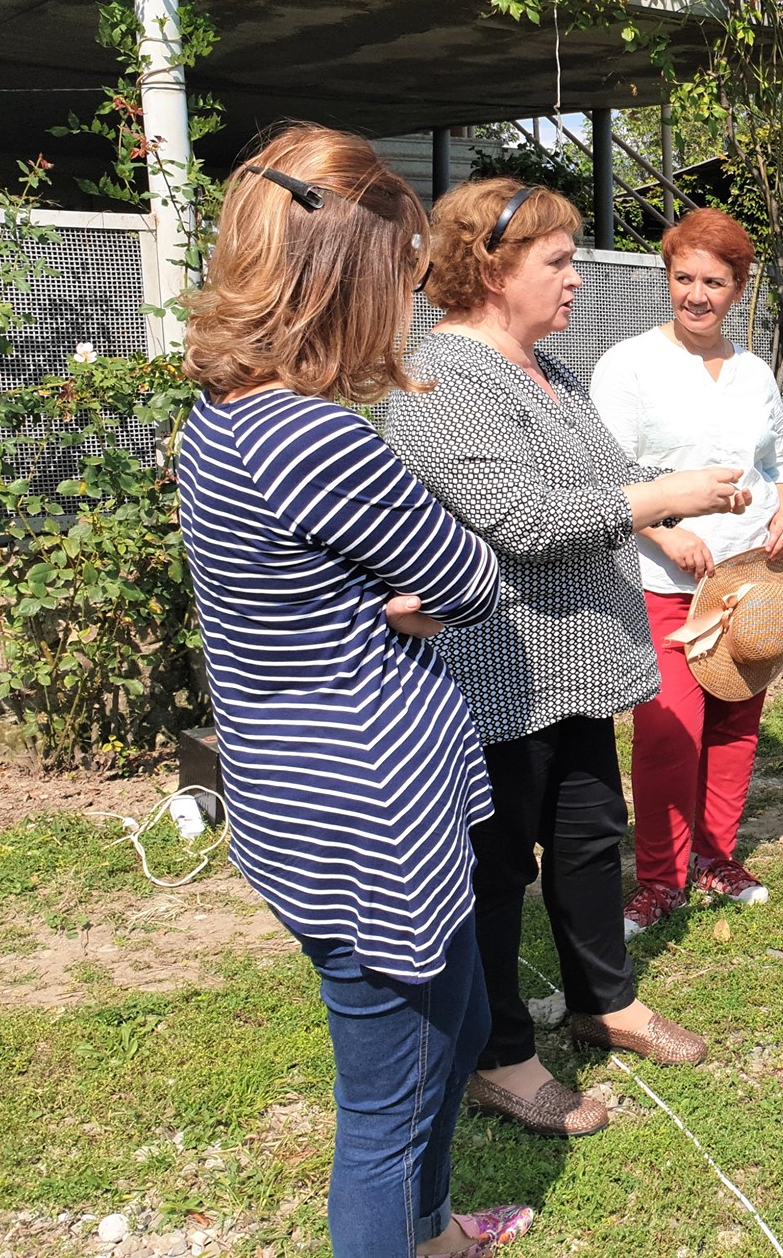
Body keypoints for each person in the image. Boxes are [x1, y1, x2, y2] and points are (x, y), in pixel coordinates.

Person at [178, 125, 532, 1256]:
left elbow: (320, 586)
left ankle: (432, 1234)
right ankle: (406, 1232)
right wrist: (403, 595)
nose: (407, 297)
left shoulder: (224, 413)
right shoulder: (316, 439)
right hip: (366, 812)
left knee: (456, 1025)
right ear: (345, 275)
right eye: (400, 270)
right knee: (387, 1109)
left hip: (296, 788)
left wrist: (384, 594)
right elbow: (471, 576)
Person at [384, 178, 750, 1138]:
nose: (577, 278)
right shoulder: (441, 380)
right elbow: (525, 520)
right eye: (557, 260)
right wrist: (658, 499)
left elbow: (607, 475)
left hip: (575, 665)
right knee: (497, 868)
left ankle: (605, 1000)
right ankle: (500, 1055)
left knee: (589, 838)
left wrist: (681, 490)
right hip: (497, 669)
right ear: (492, 270)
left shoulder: (547, 368)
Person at [590, 208, 783, 935]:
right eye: (684, 278)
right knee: (667, 731)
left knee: (736, 719)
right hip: (663, 579)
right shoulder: (630, 365)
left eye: (714, 282)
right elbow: (604, 474)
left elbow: (777, 459)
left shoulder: (754, 373)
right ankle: (659, 879)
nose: (697, 295)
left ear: (738, 288)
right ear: (667, 277)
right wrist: (661, 529)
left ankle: (716, 857)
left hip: (749, 579)